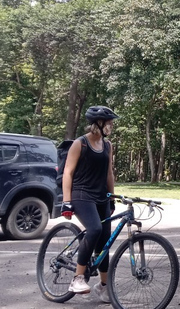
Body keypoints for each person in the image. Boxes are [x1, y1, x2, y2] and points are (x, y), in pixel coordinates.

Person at [60, 105, 119, 303]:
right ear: (98, 124)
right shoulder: (80, 143)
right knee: (93, 229)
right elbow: (68, 172)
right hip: (81, 194)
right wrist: (66, 202)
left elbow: (109, 173)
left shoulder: (108, 145)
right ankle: (77, 278)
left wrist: (111, 197)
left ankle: (103, 287)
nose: (111, 126)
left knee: (104, 242)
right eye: (109, 122)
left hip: (101, 196)